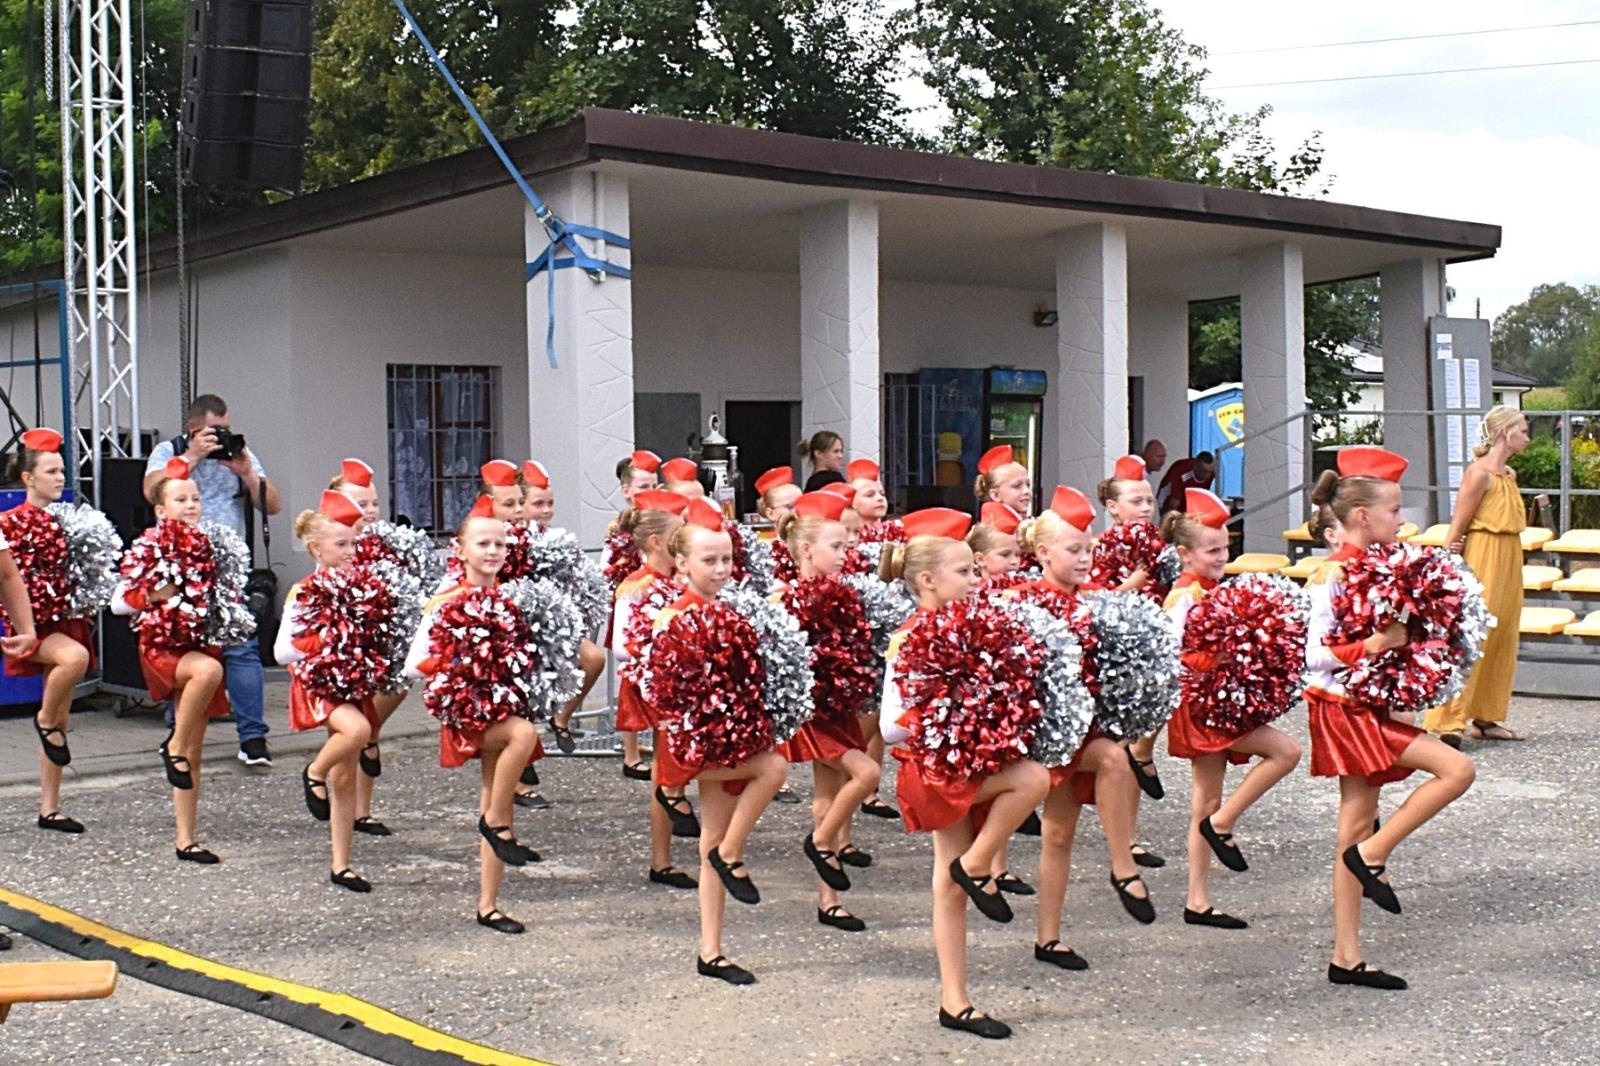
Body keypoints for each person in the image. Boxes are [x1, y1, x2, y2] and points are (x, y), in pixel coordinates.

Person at [1304, 447, 1476, 990]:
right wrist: (1379, 642)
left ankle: (1346, 957)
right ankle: (1374, 855)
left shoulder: (1387, 566)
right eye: (1395, 509)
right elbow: (1313, 657)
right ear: (1362, 516)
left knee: (1353, 824)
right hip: (1343, 711)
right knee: (1456, 772)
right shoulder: (1329, 576)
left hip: (1368, 706)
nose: (1402, 519)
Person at [879, 508, 1050, 1039]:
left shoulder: (982, 626)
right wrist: (955, 725)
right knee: (1033, 780)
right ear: (927, 580)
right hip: (933, 770)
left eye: (976, 571)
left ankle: (954, 1001)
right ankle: (977, 865)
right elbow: (890, 727)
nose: (976, 581)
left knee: (947, 886)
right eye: (964, 572)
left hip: (965, 764)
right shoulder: (907, 638)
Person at [643, 498, 789, 984]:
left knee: (710, 836)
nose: (722, 569)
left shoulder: (737, 610)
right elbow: (654, 690)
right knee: (773, 768)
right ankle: (732, 854)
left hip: (726, 741)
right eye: (710, 560)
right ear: (681, 562)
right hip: (691, 747)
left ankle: (711, 950)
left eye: (728, 559)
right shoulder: (671, 617)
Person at [1010, 487, 1155, 977]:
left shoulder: (1098, 600)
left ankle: (1047, 938)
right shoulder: (1023, 600)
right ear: (1043, 552)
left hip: (1083, 725)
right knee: (1114, 759)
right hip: (1046, 732)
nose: (1084, 558)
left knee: (1058, 836)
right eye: (1073, 550)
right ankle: (1123, 866)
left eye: (1089, 549)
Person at [1162, 489, 1302, 930]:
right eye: (1213, 550)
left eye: (1226, 547)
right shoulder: (1183, 597)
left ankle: (1198, 901)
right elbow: (1170, 656)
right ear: (1184, 554)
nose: (1223, 556)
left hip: (1220, 702)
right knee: (1286, 752)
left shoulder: (1213, 590)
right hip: (1203, 706)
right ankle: (1223, 824)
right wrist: (1219, 662)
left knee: (1205, 799)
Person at [406, 497, 544, 934]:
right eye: (482, 543)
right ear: (460, 549)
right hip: (464, 713)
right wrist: (461, 670)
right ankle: (494, 822)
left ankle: (489, 905)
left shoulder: (509, 599)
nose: (492, 551)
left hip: (497, 709)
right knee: (522, 737)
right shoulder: (446, 601)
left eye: (500, 544)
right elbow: (414, 664)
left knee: (496, 792)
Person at [144, 394, 281, 768]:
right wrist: (191, 457)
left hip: (228, 567)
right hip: (181, 567)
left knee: (241, 649)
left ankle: (253, 739)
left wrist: (248, 473)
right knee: (184, 649)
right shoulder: (168, 451)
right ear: (193, 428)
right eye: (215, 431)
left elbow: (272, 505)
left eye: (226, 429)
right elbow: (151, 489)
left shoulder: (237, 455)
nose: (222, 437)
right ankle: (179, 734)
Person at [114, 458, 232, 864]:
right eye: (181, 499)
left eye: (196, 498)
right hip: (163, 649)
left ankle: (186, 839)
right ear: (161, 510)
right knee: (208, 673)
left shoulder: (213, 545)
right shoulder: (148, 546)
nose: (192, 504)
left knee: (194, 750)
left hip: (200, 644)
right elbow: (118, 603)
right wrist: (153, 595)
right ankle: (174, 744)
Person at [774, 492, 882, 933]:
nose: (845, 555)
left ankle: (828, 901)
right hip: (810, 713)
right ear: (805, 550)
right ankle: (819, 843)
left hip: (839, 707)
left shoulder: (843, 593)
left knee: (827, 797)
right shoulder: (784, 598)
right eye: (836, 547)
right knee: (868, 775)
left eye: (846, 546)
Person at [276, 490, 384, 892]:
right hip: (318, 685)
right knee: (355, 733)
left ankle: (341, 865)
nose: (351, 551)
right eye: (341, 544)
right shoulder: (303, 591)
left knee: (346, 776)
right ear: (316, 549)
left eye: (353, 543)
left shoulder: (364, 588)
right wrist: (326, 640)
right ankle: (312, 771)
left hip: (352, 684)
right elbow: (282, 649)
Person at [1423, 406, 1532, 747]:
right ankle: (1448, 720)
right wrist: (1449, 562)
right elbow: (1459, 524)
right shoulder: (1478, 473)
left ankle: (1486, 718)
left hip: (1509, 556)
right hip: (1482, 556)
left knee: (1501, 636)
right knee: (1473, 635)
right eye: (1523, 431)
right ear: (1505, 433)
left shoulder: (1509, 474)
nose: (1527, 438)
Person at [611, 489, 699, 889]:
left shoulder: (682, 581)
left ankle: (671, 844)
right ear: (657, 543)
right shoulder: (636, 585)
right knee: (666, 769)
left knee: (671, 768)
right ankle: (661, 858)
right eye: (681, 532)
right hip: (655, 682)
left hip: (682, 680)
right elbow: (619, 645)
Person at [3, 429, 89, 835]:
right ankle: (43, 720)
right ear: (27, 478)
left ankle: (50, 808)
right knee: (74, 659)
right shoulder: (10, 523)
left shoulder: (71, 520)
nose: (59, 479)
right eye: (51, 471)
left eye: (61, 471)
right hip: (31, 625)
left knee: (63, 718)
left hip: (65, 618)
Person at [973, 445, 1033, 517]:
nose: (1027, 491)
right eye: (1017, 486)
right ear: (996, 495)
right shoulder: (1005, 527)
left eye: (1028, 485)